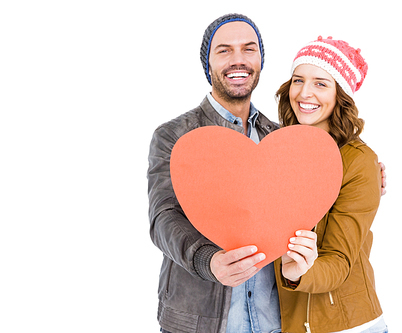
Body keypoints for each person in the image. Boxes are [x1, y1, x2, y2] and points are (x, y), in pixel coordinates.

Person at [148, 13, 386, 333]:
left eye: (249, 49)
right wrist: (209, 261)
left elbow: (314, 192)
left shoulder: (280, 139)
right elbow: (163, 218)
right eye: (224, 50)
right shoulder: (174, 135)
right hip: (201, 323)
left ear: (260, 60)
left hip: (275, 321)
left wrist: (366, 172)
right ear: (208, 63)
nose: (238, 60)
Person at [274, 37, 388, 333]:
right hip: (287, 324)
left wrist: (299, 273)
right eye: (298, 80)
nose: (305, 92)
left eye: (321, 83)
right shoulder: (278, 152)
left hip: (348, 326)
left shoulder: (359, 162)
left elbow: (339, 261)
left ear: (341, 95)